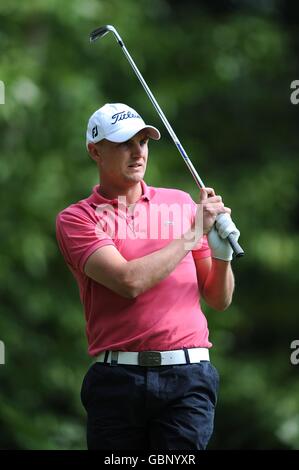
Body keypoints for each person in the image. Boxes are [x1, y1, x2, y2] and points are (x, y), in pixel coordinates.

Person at [56, 103, 240, 450]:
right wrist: (190, 235)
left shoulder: (182, 203)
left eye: (143, 141)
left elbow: (218, 299)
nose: (138, 151)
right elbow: (128, 282)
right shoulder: (77, 219)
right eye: (125, 142)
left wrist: (222, 253)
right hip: (116, 380)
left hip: (188, 377)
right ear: (95, 151)